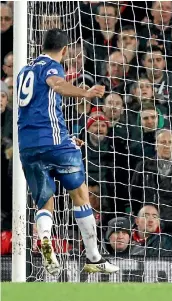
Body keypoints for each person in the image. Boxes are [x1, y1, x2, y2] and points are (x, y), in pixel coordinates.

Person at [16, 28, 118, 276]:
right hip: (54, 142)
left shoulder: (23, 72)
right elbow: (57, 84)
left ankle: (46, 241)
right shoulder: (52, 67)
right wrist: (86, 92)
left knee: (44, 200)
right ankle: (94, 257)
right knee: (80, 194)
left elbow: (38, 108)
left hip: (28, 146)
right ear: (64, 50)